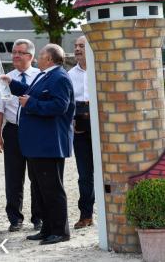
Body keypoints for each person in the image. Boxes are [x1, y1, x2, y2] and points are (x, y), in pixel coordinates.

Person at [1, 44, 75, 245]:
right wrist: (12, 83)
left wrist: (30, 104)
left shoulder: (59, 77)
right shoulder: (45, 75)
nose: (37, 59)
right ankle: (48, 228)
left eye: (41, 55)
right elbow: (33, 92)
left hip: (48, 144)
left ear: (50, 59)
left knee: (52, 189)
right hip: (38, 144)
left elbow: (60, 105)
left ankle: (60, 231)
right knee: (42, 189)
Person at [0, 39, 42, 232]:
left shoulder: (40, 76)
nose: (16, 56)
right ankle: (15, 218)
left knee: (37, 175)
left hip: (35, 130)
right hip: (13, 131)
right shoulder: (5, 79)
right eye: (14, 52)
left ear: (31, 56)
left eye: (20, 52)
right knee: (13, 177)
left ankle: (39, 217)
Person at [68, 36, 95, 229]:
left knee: (107, 172)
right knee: (84, 175)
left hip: (101, 127)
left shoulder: (100, 70)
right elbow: (67, 103)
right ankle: (86, 215)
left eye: (81, 46)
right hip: (79, 129)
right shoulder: (70, 74)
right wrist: (72, 121)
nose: (77, 49)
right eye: (76, 46)